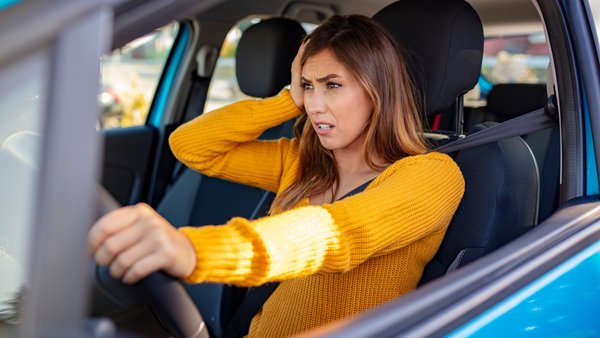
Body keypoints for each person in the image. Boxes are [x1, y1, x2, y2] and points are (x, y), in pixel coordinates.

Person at [89, 14, 465, 337]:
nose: (315, 106)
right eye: (308, 86)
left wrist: (192, 250)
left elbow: (336, 234)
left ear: (378, 90)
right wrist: (287, 98)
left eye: (333, 85)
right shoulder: (302, 162)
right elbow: (190, 145)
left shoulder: (430, 175)